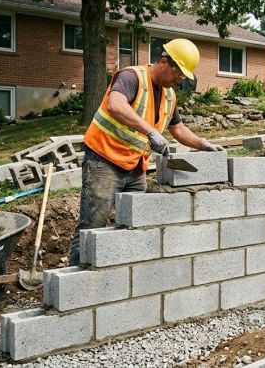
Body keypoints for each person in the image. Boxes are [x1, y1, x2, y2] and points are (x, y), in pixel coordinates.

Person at [68, 38, 223, 265]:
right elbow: (115, 105)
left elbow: (178, 129)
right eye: (178, 74)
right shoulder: (131, 77)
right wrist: (150, 132)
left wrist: (203, 144)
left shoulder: (169, 95)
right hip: (104, 161)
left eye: (183, 77)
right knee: (92, 225)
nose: (179, 80)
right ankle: (76, 277)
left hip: (135, 167)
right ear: (164, 62)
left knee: (136, 223)